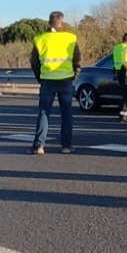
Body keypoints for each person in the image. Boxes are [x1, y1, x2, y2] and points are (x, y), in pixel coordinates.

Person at [29, 11, 79, 155]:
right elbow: (77, 61)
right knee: (66, 114)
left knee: (44, 113)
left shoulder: (40, 39)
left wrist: (41, 77)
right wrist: (74, 76)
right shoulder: (71, 38)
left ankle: (39, 145)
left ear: (49, 22)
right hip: (66, 80)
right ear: (61, 22)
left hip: (47, 81)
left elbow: (34, 63)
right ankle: (66, 146)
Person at [112, 32, 127, 121]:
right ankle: (123, 114)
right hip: (126, 72)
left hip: (119, 71)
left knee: (126, 94)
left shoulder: (116, 48)